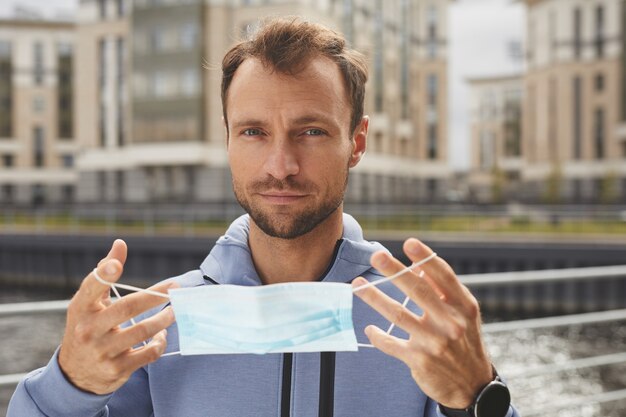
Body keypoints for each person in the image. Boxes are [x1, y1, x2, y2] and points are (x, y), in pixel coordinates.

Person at [8, 17, 519, 417]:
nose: (281, 167)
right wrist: (68, 384)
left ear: (356, 143)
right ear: (227, 139)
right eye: (254, 132)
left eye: (311, 131)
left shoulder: (422, 325)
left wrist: (479, 397)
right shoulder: (159, 324)